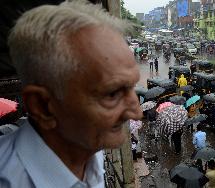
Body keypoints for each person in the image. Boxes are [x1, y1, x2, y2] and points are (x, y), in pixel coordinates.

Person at [0, 2, 142, 188]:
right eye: (112, 94)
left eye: (132, 87)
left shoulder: (89, 147)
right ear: (42, 106)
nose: (137, 112)